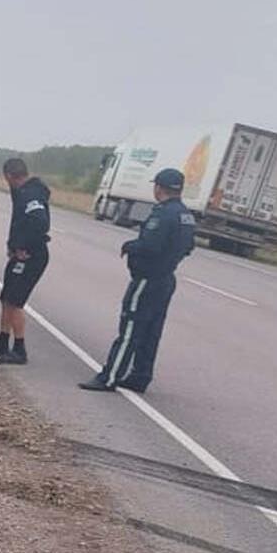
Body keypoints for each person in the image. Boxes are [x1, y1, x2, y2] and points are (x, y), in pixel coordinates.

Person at [80, 168, 196, 394]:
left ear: (159, 188)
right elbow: (189, 247)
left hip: (148, 278)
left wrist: (130, 247)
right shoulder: (186, 216)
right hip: (166, 279)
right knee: (152, 330)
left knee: (131, 327)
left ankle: (109, 377)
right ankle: (140, 376)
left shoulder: (163, 214)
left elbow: (151, 246)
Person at [0, 158, 50, 364]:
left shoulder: (31, 194)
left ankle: (19, 350)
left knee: (15, 301)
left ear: (9, 176)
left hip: (32, 257)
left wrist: (23, 247)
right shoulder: (21, 193)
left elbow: (40, 223)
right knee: (6, 297)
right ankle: (2, 342)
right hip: (20, 254)